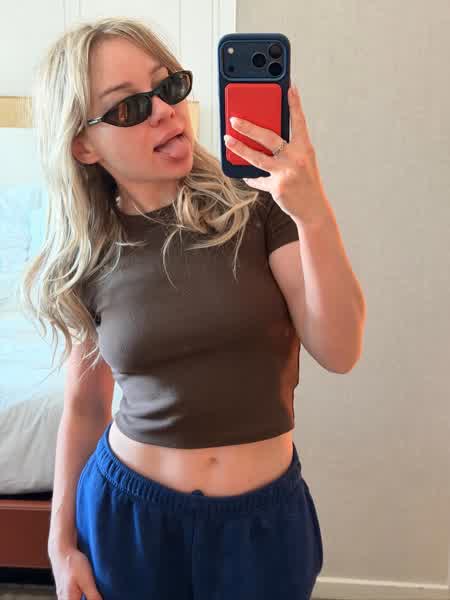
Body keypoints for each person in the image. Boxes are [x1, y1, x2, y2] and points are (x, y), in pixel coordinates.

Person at [19, 16, 324, 600]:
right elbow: (86, 405)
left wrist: (313, 211)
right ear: (83, 145)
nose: (162, 110)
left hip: (262, 527)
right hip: (127, 520)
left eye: (168, 86)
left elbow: (340, 346)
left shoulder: (258, 206)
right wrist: (59, 544)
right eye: (128, 108)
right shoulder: (90, 254)